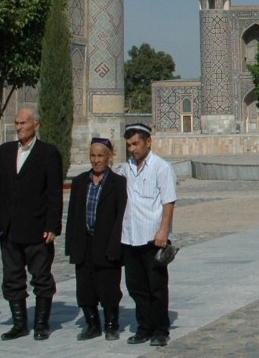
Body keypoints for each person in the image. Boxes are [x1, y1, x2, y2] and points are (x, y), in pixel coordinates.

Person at [0, 107, 63, 341]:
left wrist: (52, 225)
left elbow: (53, 193)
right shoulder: (6, 151)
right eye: (16, 123)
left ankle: (41, 323)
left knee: (40, 277)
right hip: (9, 229)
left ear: (36, 125)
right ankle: (19, 324)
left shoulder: (48, 153)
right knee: (12, 278)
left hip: (37, 229)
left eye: (23, 123)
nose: (18, 127)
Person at [119, 123, 177, 347]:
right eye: (129, 145)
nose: (132, 149)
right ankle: (143, 327)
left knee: (156, 287)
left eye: (135, 144)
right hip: (130, 237)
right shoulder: (127, 169)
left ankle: (160, 329)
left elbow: (168, 201)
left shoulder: (161, 167)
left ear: (148, 142)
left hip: (153, 237)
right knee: (136, 287)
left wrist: (163, 230)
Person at [65, 138, 127, 341]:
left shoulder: (118, 183)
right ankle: (92, 324)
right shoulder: (80, 182)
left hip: (107, 243)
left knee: (108, 288)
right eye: (93, 155)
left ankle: (111, 324)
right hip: (85, 244)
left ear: (109, 157)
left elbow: (120, 217)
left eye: (100, 155)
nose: (96, 160)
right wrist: (72, 246)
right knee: (85, 288)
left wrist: (116, 245)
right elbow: (73, 215)